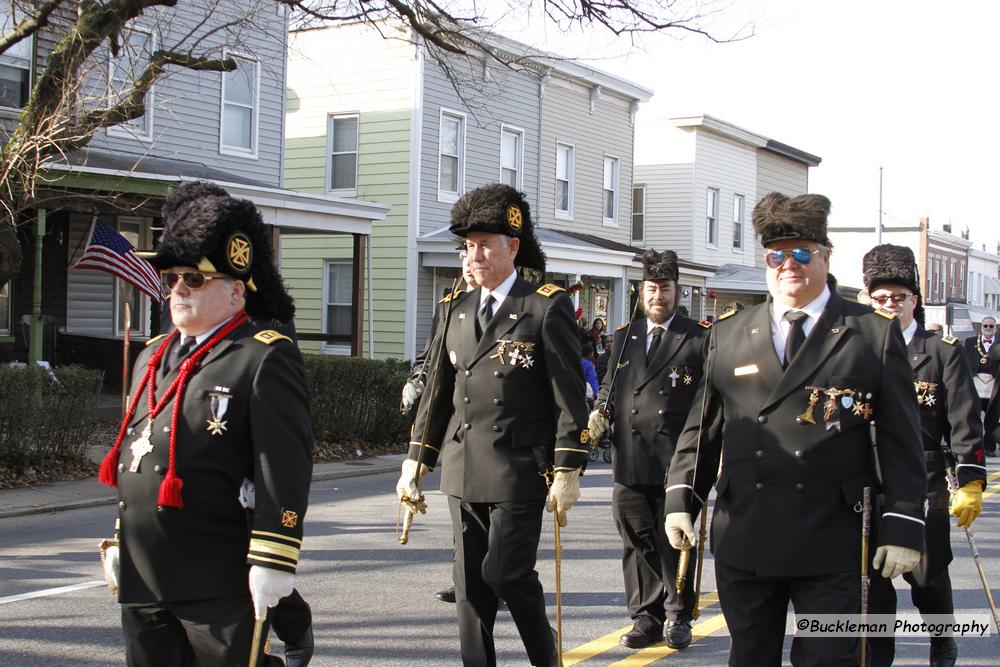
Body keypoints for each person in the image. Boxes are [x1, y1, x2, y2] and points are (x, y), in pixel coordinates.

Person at [663, 192, 927, 667]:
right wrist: (683, 497)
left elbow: (902, 440)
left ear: (826, 255)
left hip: (836, 540)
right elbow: (703, 428)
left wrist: (904, 524)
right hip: (748, 532)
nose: (790, 264)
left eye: (803, 253)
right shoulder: (728, 333)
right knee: (749, 657)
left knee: (832, 660)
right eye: (777, 255)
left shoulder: (871, 332)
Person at [97, 182, 313, 666]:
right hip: (144, 569)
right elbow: (140, 448)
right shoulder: (153, 354)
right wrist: (121, 534)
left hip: (216, 573)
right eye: (172, 277)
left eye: (194, 279)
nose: (177, 289)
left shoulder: (262, 356)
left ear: (236, 291)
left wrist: (275, 557)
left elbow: (284, 465)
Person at [395, 183, 589, 667]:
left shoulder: (545, 305)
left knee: (505, 573)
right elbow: (438, 392)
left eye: (486, 243)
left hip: (519, 469)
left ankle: (546, 657)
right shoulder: (454, 307)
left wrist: (569, 468)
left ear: (513, 247)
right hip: (462, 467)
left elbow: (568, 397)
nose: (475, 253)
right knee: (469, 590)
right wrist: (416, 460)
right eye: (469, 244)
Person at [861, 244, 985, 667]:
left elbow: (966, 421)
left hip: (924, 480)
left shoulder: (942, 352)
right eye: (880, 298)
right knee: (871, 587)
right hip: (865, 480)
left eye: (899, 297)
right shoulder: (856, 350)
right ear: (869, 300)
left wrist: (969, 481)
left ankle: (941, 637)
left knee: (928, 578)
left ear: (914, 299)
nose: (890, 305)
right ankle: (878, 656)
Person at [587, 249, 710, 650]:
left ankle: (678, 615)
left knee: (673, 540)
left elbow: (708, 401)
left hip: (676, 460)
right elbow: (611, 385)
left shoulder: (698, 337)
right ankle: (645, 617)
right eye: (652, 288)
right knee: (635, 541)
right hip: (630, 457)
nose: (658, 295)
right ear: (642, 291)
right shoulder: (626, 337)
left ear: (677, 291)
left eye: (665, 288)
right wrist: (599, 412)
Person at [401, 241, 479, 416]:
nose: (468, 262)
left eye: (472, 255)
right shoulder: (448, 307)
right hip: (454, 413)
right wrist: (418, 380)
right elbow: (430, 357)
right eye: (464, 256)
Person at [963, 316, 999, 456]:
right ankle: (974, 447)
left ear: (995, 328)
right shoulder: (970, 342)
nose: (988, 329)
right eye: (986, 326)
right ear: (981, 327)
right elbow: (965, 361)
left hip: (995, 386)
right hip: (976, 384)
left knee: (992, 419)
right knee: (973, 417)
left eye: (991, 326)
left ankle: (989, 447)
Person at [581, 342, 599, 407]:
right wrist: (595, 395)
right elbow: (592, 380)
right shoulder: (589, 366)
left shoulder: (579, 363)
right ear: (591, 353)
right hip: (590, 397)